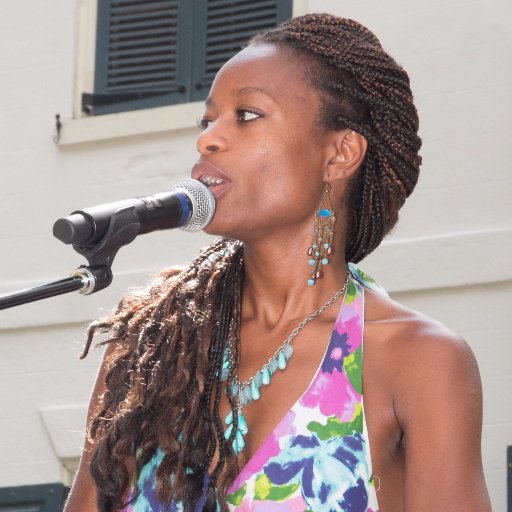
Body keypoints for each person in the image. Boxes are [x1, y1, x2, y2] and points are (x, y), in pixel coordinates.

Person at [64, 13, 491, 512]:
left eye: (246, 115)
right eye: (208, 120)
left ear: (340, 154)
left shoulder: (417, 359)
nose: (208, 139)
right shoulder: (151, 348)